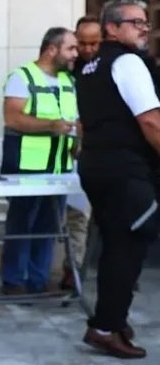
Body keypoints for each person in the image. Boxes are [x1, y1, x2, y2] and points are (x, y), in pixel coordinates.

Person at [76, 0, 160, 359]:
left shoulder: (90, 66)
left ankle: (111, 320)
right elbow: (151, 120)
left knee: (116, 245)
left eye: (145, 22)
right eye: (135, 22)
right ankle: (106, 326)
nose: (144, 28)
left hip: (97, 166)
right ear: (112, 27)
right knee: (127, 248)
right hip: (125, 169)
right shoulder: (127, 62)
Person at [0, 27, 79, 295]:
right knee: (21, 224)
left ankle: (37, 281)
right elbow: (13, 118)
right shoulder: (21, 77)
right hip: (26, 165)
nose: (75, 54)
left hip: (60, 166)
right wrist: (51, 125)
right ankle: (14, 281)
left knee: (48, 225)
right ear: (52, 49)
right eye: (71, 48)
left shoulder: (70, 81)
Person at [62, 15, 102, 289]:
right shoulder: (68, 71)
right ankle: (71, 269)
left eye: (93, 43)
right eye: (82, 43)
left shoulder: (109, 68)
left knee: (88, 216)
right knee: (75, 215)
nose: (87, 49)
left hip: (100, 151)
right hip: (68, 152)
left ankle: (75, 268)